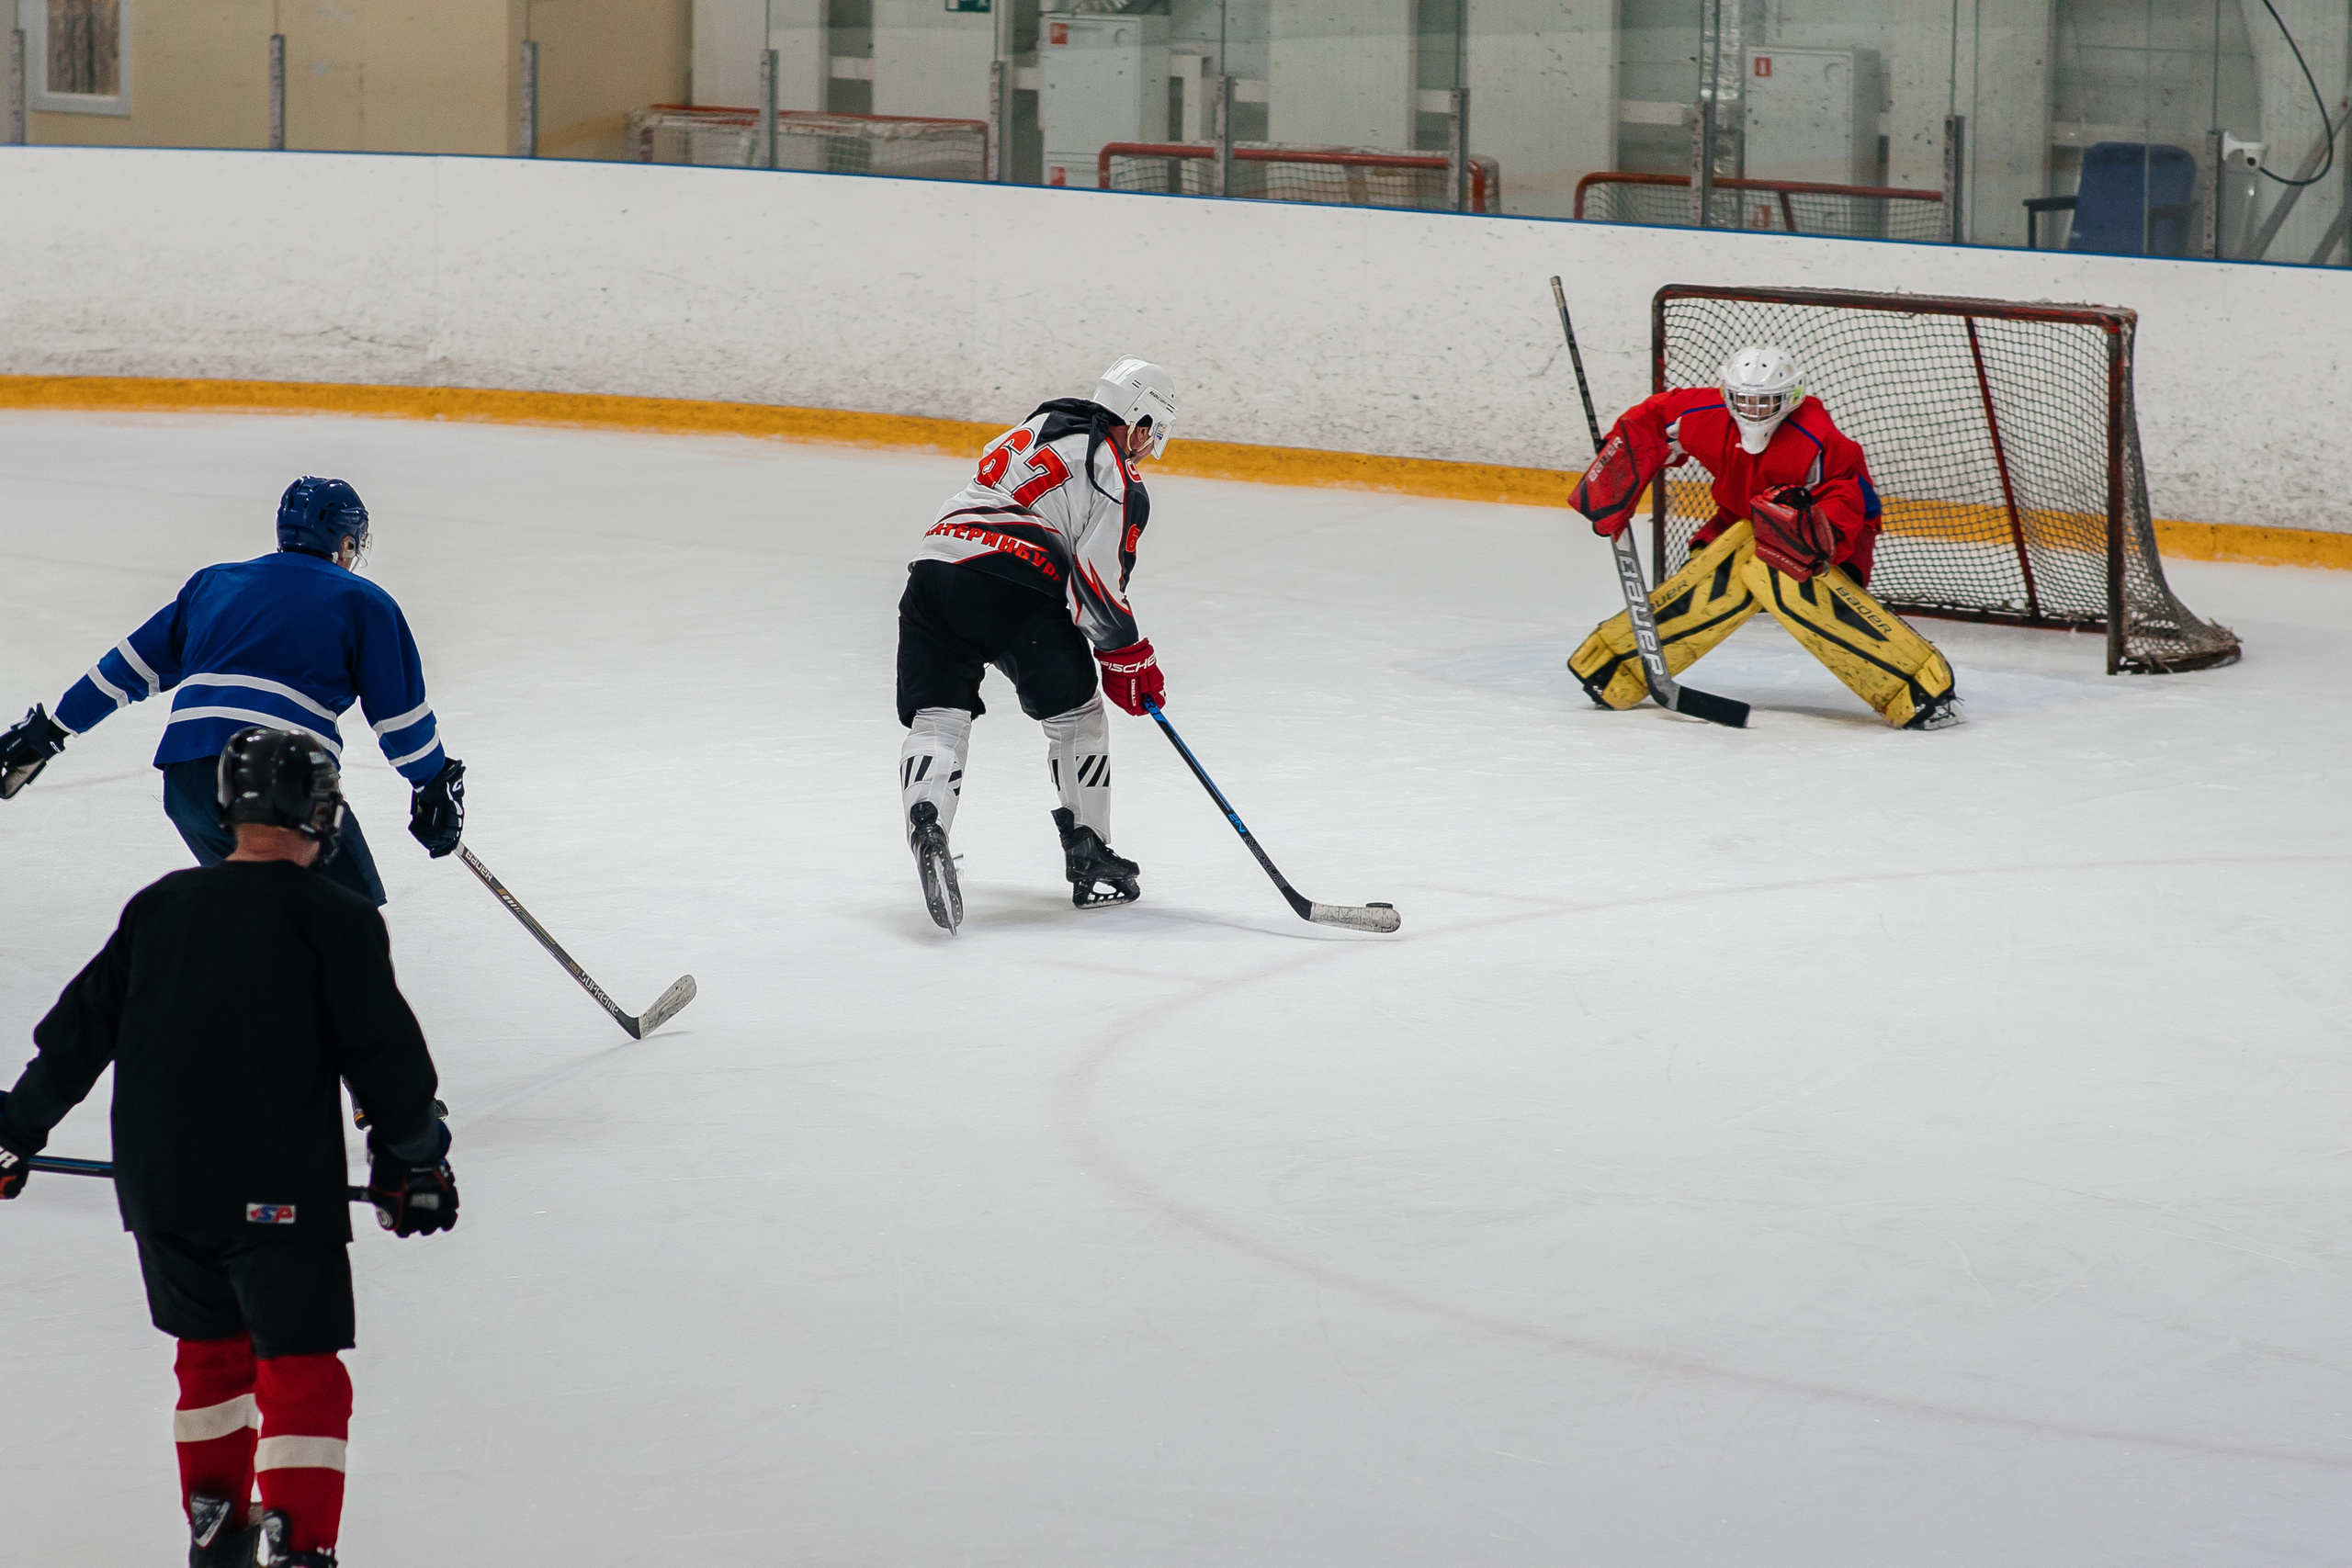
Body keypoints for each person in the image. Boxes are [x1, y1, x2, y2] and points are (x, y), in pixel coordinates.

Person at [0, 725, 458, 1568]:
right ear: (325, 813)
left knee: (210, 1355)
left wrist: (12, 1133)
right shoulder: (336, 916)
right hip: (277, 1184)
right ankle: (296, 1544)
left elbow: (74, 1035)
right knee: (300, 1367)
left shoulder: (160, 905)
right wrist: (418, 1156)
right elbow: (384, 1056)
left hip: (160, 1191)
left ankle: (216, 1528)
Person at [0, 477, 467, 905]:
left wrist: (52, 731)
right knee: (344, 921)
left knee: (254, 913)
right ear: (345, 541)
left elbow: (127, 669)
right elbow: (400, 720)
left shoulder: (214, 584)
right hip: (282, 777)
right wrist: (432, 783)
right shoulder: (365, 601)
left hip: (188, 781)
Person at [895, 356, 1179, 932]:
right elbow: (1094, 587)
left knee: (938, 717)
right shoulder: (1117, 475)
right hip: (1013, 580)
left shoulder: (1030, 428)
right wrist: (1130, 656)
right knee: (1079, 717)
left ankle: (928, 822)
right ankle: (1090, 851)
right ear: (1141, 420)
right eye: (1151, 433)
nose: (1148, 447)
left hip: (932, 567)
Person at [1566, 345, 1962, 730]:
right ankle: (1614, 669)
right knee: (1722, 581)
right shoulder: (1703, 414)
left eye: (1766, 402)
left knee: (1780, 578)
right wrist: (1618, 467)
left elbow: (1851, 496)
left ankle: (1919, 685)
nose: (1752, 411)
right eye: (1743, 399)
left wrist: (1815, 532)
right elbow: (1650, 422)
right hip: (1735, 521)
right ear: (1727, 393)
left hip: (1833, 534)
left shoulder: (1815, 437)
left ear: (1790, 397)